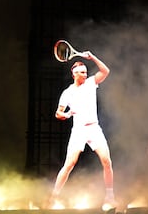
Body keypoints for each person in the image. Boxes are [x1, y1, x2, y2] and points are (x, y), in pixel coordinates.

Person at [47, 51, 116, 208]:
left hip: (94, 128)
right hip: (78, 130)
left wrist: (92, 57)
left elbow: (106, 71)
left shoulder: (92, 83)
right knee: (70, 164)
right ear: (74, 74)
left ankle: (110, 196)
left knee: (106, 161)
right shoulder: (68, 93)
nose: (85, 74)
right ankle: (53, 197)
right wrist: (66, 114)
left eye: (85, 72)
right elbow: (58, 113)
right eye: (81, 73)